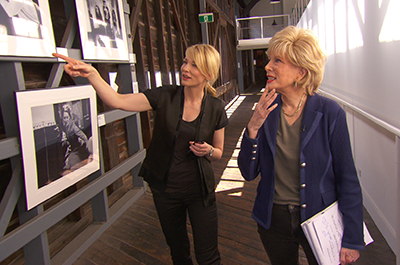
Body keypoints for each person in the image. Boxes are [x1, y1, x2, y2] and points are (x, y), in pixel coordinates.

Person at [53, 43, 228, 265]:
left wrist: (209, 150)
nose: (185, 68)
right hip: (166, 192)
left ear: (208, 74)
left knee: (208, 256)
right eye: (185, 61)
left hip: (200, 192)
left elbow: (219, 153)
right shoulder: (165, 95)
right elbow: (119, 101)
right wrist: (93, 75)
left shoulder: (216, 107)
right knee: (178, 252)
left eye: (194, 65)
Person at [237, 26, 365, 265]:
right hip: (273, 219)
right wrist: (253, 128)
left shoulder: (330, 113)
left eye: (277, 61)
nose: (267, 67)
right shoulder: (267, 109)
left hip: (320, 217)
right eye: (269, 59)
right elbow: (248, 172)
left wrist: (353, 237)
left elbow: (347, 177)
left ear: (301, 72)